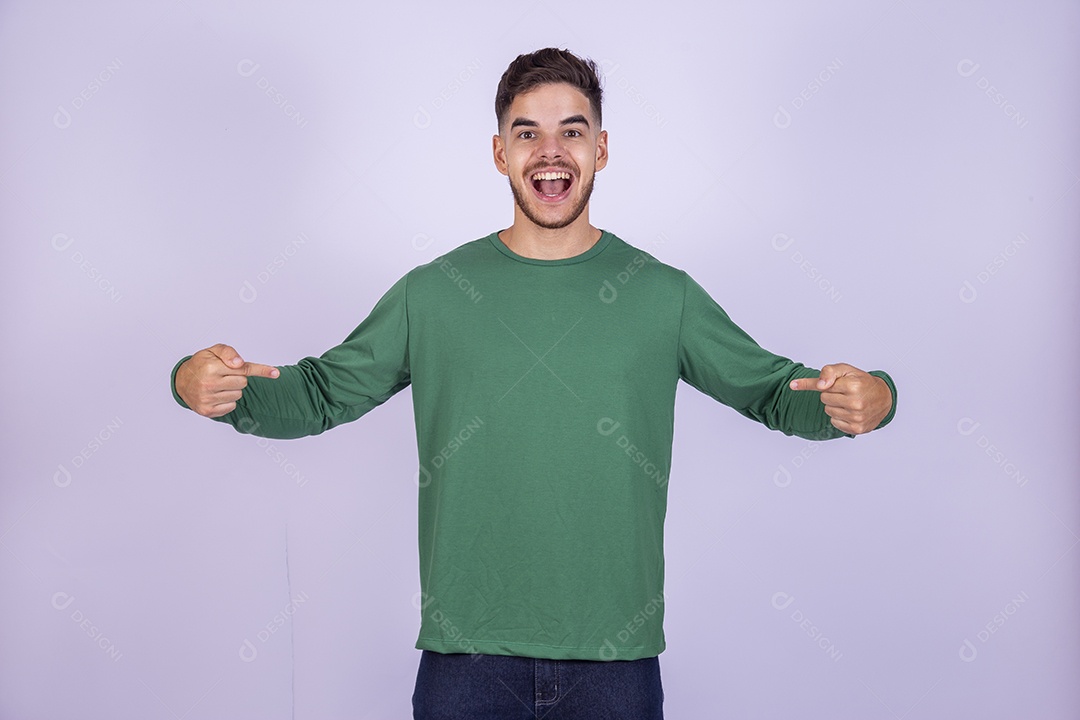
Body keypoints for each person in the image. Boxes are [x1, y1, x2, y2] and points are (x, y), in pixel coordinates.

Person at [170, 47, 895, 720]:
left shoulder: (661, 295)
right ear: (500, 153)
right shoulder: (435, 294)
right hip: (466, 662)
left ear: (601, 150)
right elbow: (321, 394)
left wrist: (874, 398)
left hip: (617, 663)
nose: (550, 152)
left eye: (571, 132)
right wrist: (206, 387)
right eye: (527, 133)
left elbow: (775, 391)